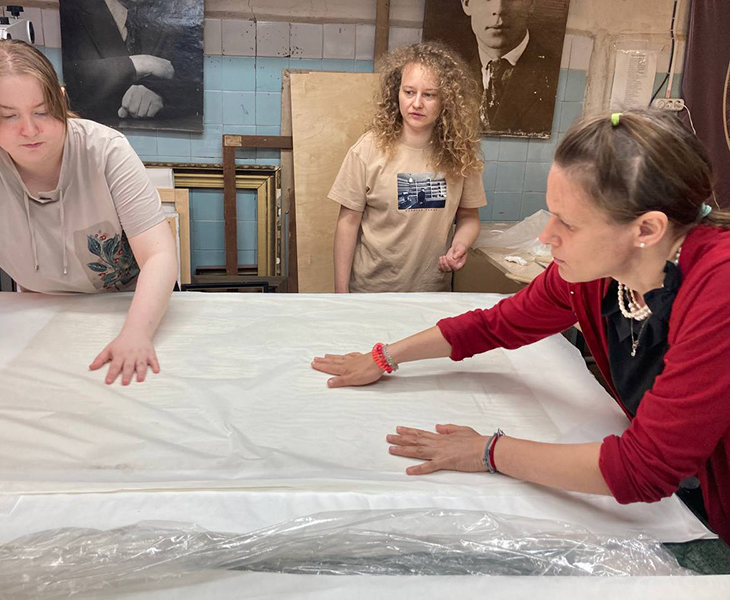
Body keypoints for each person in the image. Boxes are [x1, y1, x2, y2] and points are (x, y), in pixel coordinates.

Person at [313, 109, 730, 543]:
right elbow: (495, 324)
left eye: (568, 223)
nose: (547, 235)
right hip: (691, 490)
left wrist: (488, 451)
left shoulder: (719, 288)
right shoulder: (597, 275)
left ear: (646, 229)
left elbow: (641, 469)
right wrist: (384, 356)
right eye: (552, 213)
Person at [0, 40, 179, 385]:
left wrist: (136, 334)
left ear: (60, 100)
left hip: (131, 307)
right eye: (8, 116)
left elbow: (159, 255)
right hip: (44, 317)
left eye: (42, 111)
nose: (29, 130)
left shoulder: (105, 151)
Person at [330, 42, 486, 293]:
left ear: (446, 100)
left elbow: (469, 217)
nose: (417, 103)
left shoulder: (460, 154)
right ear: (397, 93)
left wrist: (461, 244)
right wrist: (341, 293)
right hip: (372, 291)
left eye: (429, 95)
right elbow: (347, 223)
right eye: (409, 92)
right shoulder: (368, 149)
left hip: (432, 291)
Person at [60, 0, 202, 127]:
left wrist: (159, 90)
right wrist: (137, 64)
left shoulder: (174, 12)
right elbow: (65, 80)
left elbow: (193, 78)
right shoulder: (70, 8)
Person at [461, 0, 558, 134]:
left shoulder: (556, 74)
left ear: (531, 3)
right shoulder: (449, 72)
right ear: (466, 3)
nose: (498, 9)